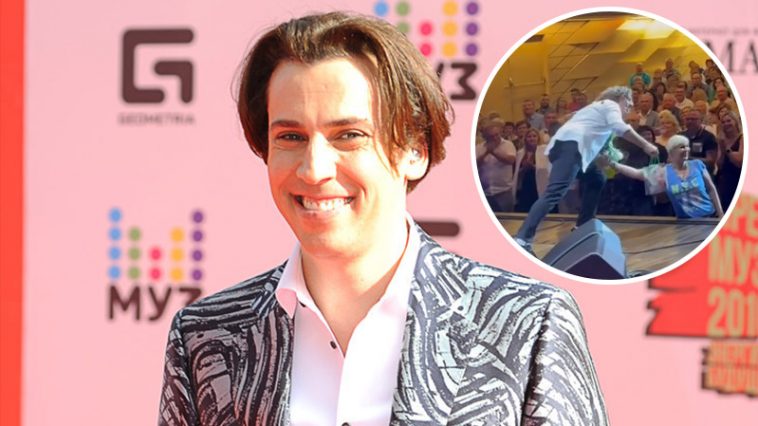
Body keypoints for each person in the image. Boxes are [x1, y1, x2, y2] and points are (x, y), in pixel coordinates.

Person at [158, 12, 607, 426]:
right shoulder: (205, 335)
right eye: (291, 136)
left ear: (415, 150)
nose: (314, 169)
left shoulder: (527, 322)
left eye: (348, 135)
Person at [514, 86, 659, 254]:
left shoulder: (594, 110)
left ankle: (582, 226)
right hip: (570, 148)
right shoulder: (610, 105)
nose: (630, 107)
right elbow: (621, 128)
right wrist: (646, 145)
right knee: (554, 193)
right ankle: (522, 238)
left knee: (597, 178)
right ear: (620, 98)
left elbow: (588, 134)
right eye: (629, 103)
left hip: (568, 150)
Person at [606, 135, 724, 219]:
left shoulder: (697, 165)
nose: (686, 149)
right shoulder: (663, 172)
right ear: (672, 151)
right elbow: (636, 173)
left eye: (687, 146)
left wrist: (720, 213)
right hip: (685, 222)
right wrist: (612, 164)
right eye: (682, 147)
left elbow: (711, 188)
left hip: (709, 217)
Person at [476, 117, 517, 212]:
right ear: (485, 137)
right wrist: (486, 152)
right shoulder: (479, 148)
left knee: (507, 219)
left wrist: (494, 152)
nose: (495, 138)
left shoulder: (508, 144)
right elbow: (475, 165)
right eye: (491, 136)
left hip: (503, 192)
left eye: (497, 135)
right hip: (485, 193)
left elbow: (510, 160)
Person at [715, 110, 743, 211]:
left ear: (735, 122)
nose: (726, 124)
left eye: (729, 121)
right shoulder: (721, 140)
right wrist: (722, 147)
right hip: (725, 179)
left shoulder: (742, 138)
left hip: (739, 177)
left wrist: (727, 148)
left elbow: (739, 162)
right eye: (723, 122)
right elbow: (719, 164)